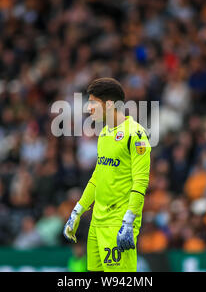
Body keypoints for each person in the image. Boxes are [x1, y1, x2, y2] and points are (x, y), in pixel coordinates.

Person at [63, 77, 151, 272]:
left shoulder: (135, 134)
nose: (89, 108)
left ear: (109, 104)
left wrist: (129, 220)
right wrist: (78, 210)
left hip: (118, 223)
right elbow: (97, 177)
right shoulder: (104, 133)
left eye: (93, 103)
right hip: (97, 221)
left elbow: (141, 180)